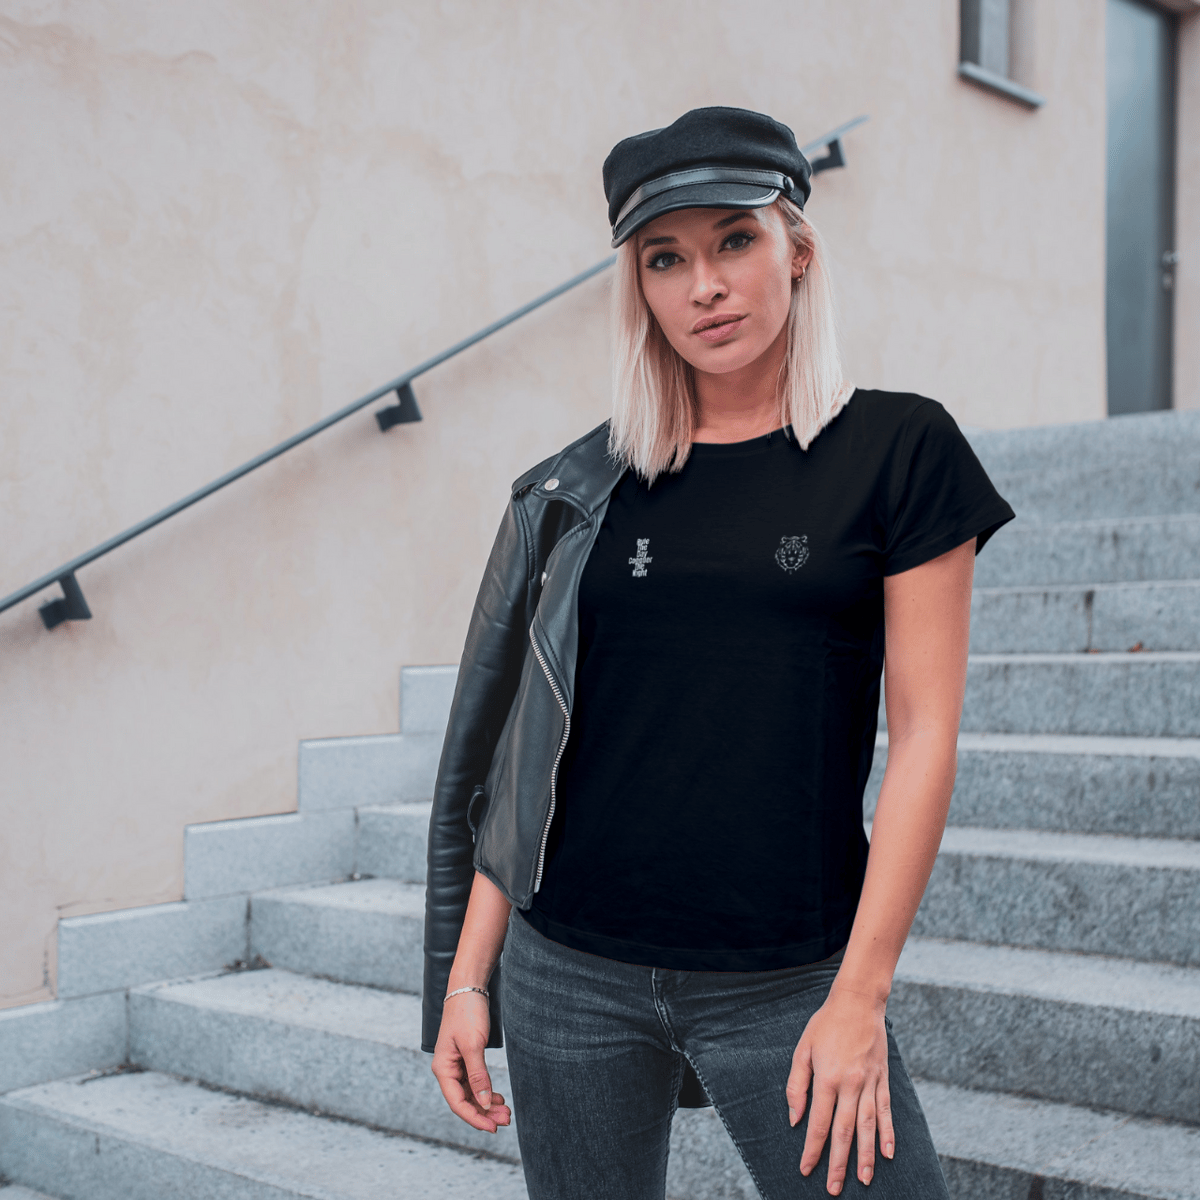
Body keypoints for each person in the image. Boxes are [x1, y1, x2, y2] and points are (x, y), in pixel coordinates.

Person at [423, 106, 1014, 1199]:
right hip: (568, 974)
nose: (704, 286)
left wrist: (860, 994)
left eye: (734, 240)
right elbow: (523, 753)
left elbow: (927, 735)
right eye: (665, 258)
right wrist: (468, 977)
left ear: (797, 249)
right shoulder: (581, 485)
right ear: (640, 287)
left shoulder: (900, 449)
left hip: (787, 977)